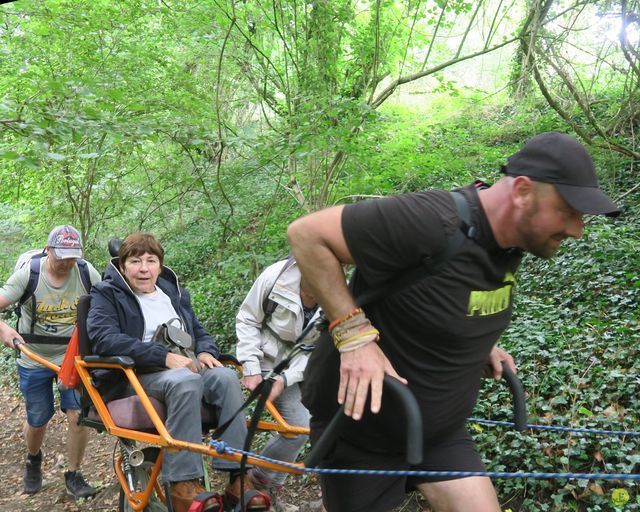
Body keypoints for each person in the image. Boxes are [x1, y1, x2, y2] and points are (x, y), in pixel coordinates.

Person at [286, 132, 620, 512]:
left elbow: (449, 297)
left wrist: (476, 344)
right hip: (362, 433)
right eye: (569, 211)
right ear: (523, 191)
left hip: (439, 433)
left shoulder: (511, 240)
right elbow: (307, 235)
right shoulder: (430, 220)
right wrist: (355, 337)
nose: (577, 229)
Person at [86, 232, 268, 512]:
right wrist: (163, 356)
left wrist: (207, 351)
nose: (144, 268)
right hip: (135, 374)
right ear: (122, 266)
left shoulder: (174, 293)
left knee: (226, 377)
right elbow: (104, 338)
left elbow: (197, 331)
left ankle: (237, 478)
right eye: (135, 261)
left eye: (151, 260)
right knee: (184, 381)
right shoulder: (107, 294)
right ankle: (183, 484)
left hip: (185, 366)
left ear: (160, 265)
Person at [0, 225, 101, 499]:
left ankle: (74, 473)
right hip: (34, 356)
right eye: (62, 256)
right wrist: (4, 329)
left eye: (73, 256)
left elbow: (105, 306)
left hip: (73, 357)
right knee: (38, 419)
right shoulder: (29, 275)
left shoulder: (85, 272)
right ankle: (33, 459)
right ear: (48, 250)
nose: (68, 262)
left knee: (78, 416)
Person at [236, 257, 320, 510]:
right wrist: (251, 367)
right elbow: (247, 319)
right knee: (297, 427)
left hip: (308, 366)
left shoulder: (342, 291)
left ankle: (335, 497)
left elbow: (324, 348)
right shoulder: (276, 277)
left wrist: (286, 379)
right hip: (267, 359)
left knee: (340, 422)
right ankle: (260, 484)